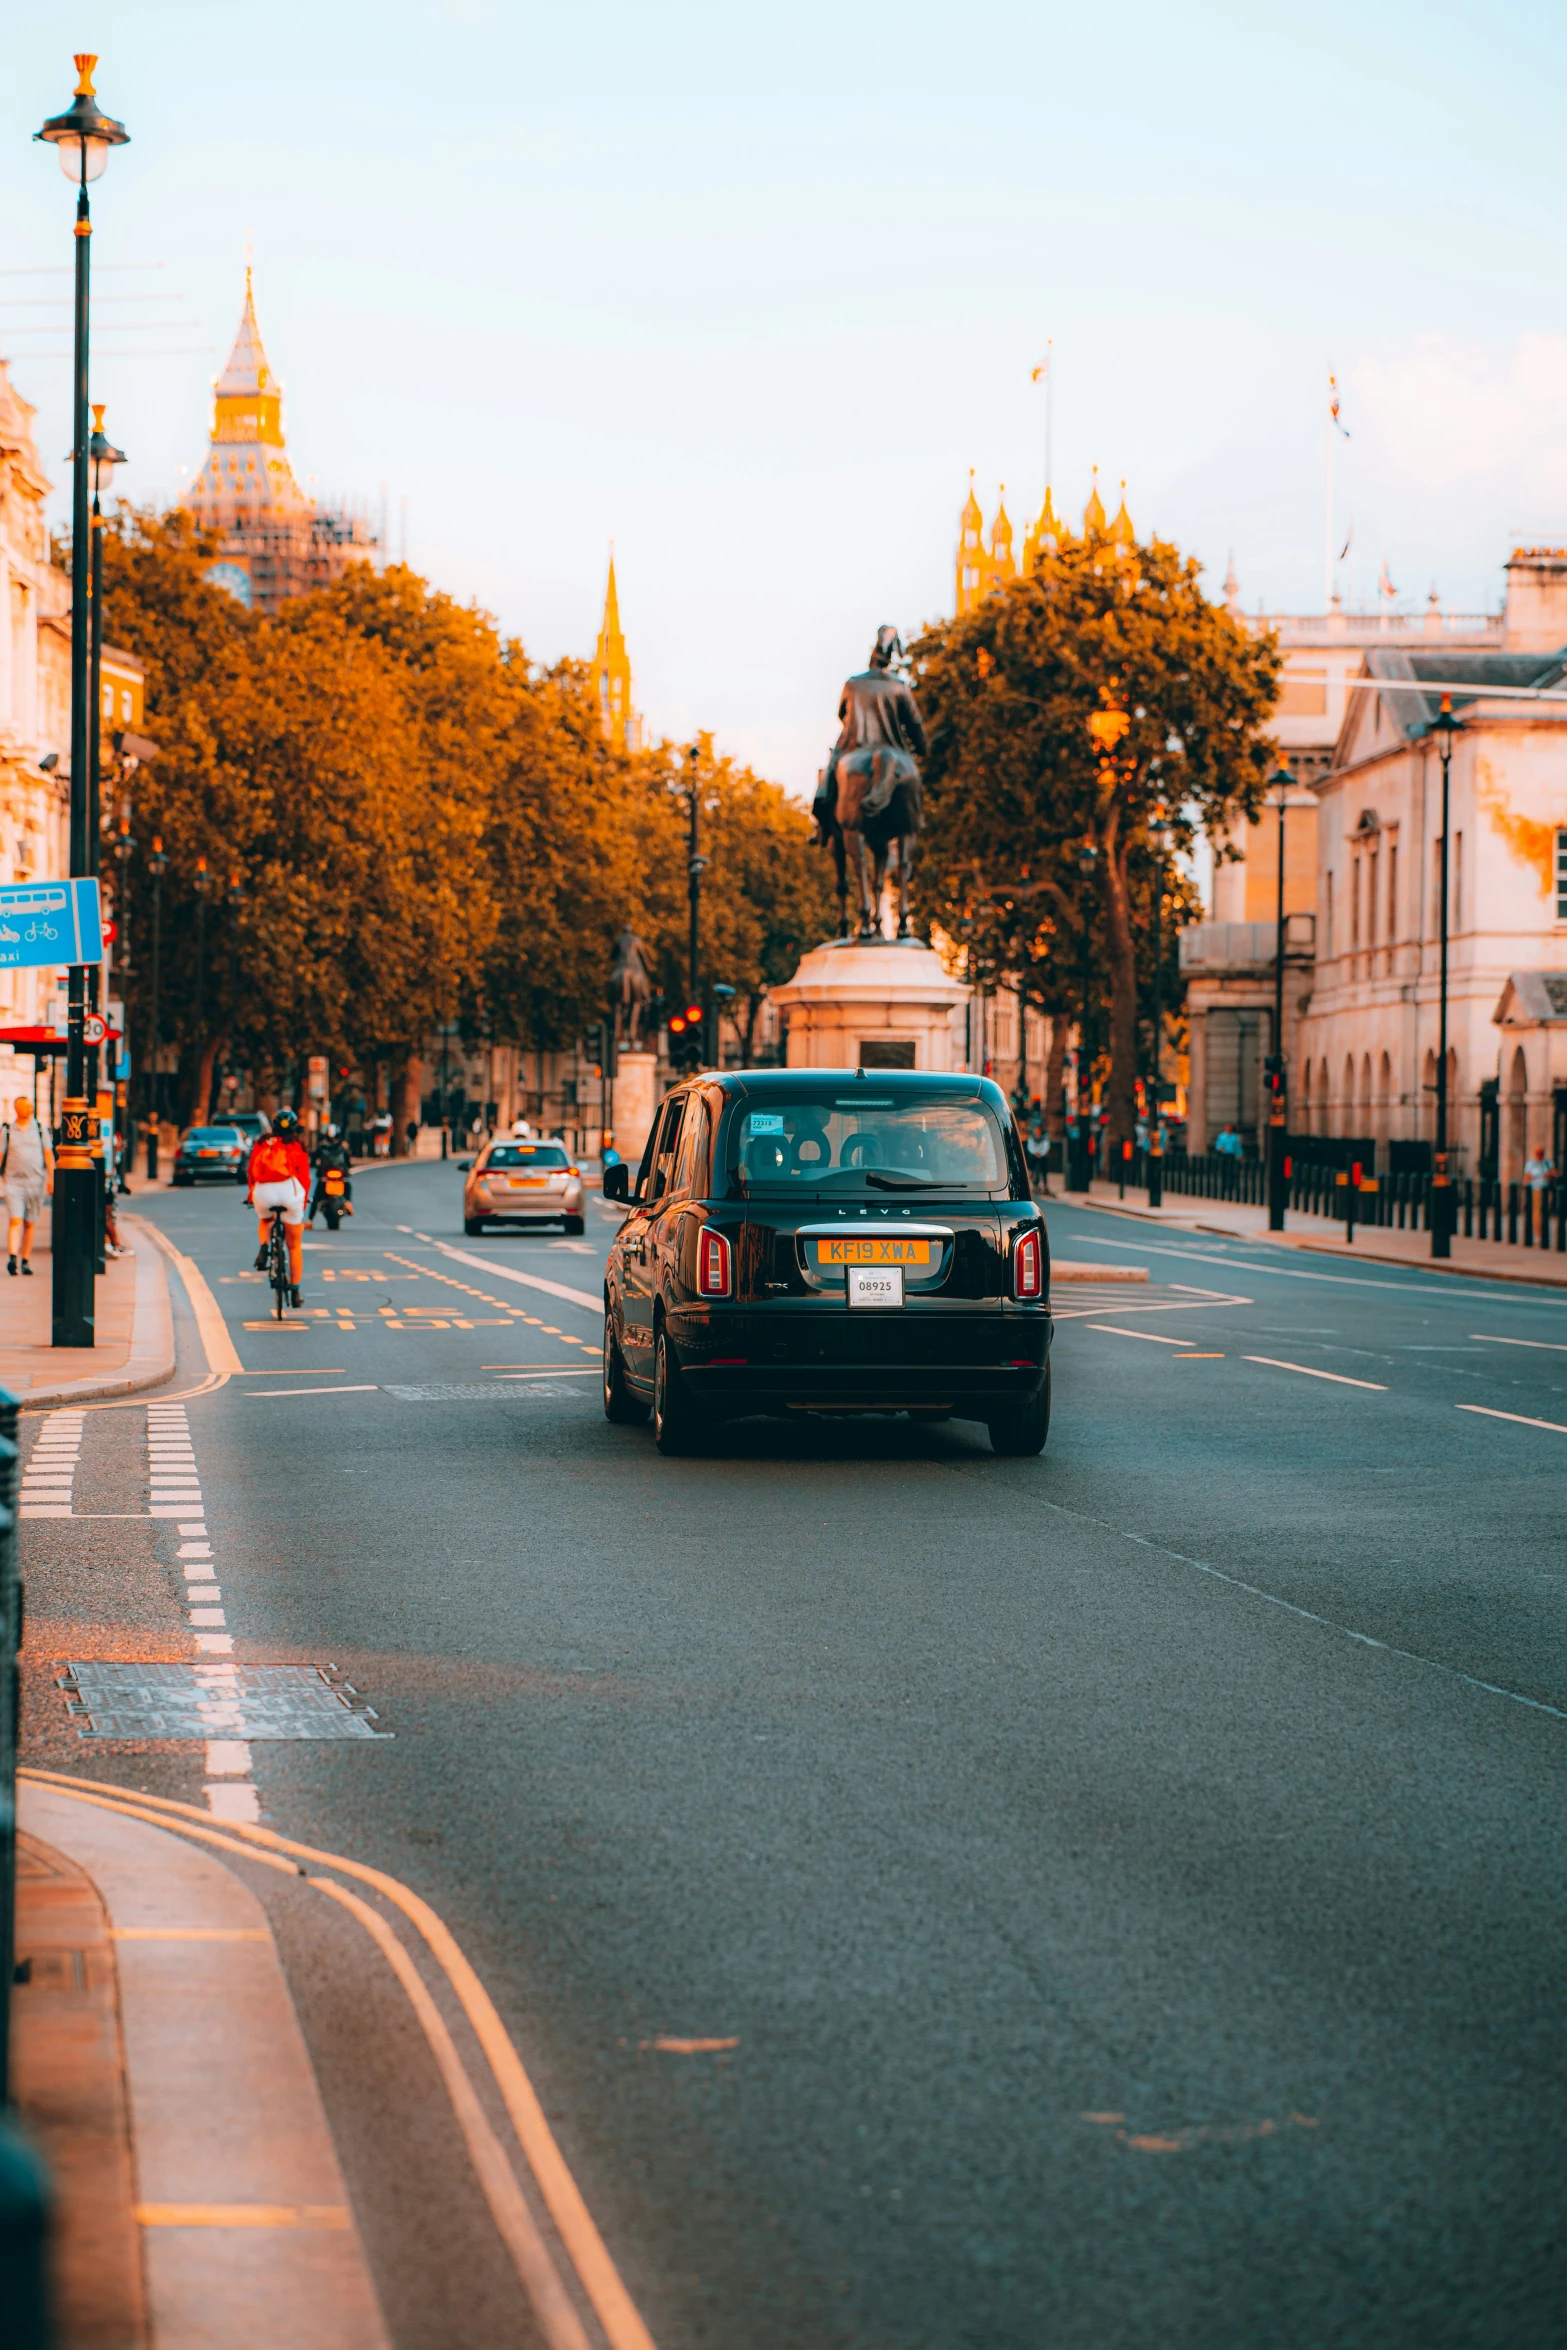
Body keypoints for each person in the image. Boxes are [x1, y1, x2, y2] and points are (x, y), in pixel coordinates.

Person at [246, 1107, 310, 1306]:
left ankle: (264, 1247)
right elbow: (304, 1178)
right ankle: (296, 1291)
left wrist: (252, 1194)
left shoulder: (261, 1143)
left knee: (265, 1220)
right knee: (294, 1245)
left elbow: (251, 1171)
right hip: (288, 1193)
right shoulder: (296, 1146)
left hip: (264, 1192)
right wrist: (302, 1200)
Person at [3, 1095, 52, 1276]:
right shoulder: (7, 1130)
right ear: (17, 1109)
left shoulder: (39, 1129)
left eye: (31, 1106)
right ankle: (12, 1257)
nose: (30, 1109)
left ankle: (25, 1260)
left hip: (35, 1183)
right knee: (15, 1219)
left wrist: (52, 1178)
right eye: (26, 1107)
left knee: (29, 1223)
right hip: (14, 1183)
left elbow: (47, 1154)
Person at [308, 1124, 354, 1224]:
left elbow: (313, 1160)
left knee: (316, 1197)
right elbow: (348, 1162)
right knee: (348, 1185)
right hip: (340, 1176)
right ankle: (348, 1202)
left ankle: (309, 1220)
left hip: (325, 1176)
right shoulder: (343, 1148)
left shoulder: (321, 1147)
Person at [1024, 1118, 1052, 1198]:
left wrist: (1041, 1153)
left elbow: (1046, 1147)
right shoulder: (1032, 1138)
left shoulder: (1044, 1138)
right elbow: (1030, 1147)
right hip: (1034, 1156)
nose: (1037, 1132)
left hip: (1041, 1156)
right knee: (1031, 1161)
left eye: (1038, 1130)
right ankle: (1033, 1179)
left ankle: (1045, 1185)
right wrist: (1035, 1153)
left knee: (1043, 1164)